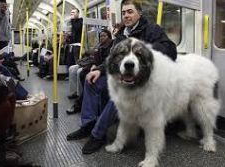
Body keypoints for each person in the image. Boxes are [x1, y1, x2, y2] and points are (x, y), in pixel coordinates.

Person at [66, 0, 177, 154]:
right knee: (91, 80)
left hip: (145, 81)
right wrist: (99, 69)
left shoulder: (152, 30)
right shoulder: (121, 35)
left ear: (140, 13)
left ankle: (97, 135)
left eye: (130, 11)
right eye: (124, 12)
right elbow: (113, 59)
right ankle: (88, 124)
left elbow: (171, 50)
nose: (126, 15)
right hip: (124, 76)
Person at [66, 29, 113, 114]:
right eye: (101, 36)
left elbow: (107, 60)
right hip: (96, 64)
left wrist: (96, 66)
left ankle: (80, 102)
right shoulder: (99, 45)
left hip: (104, 68)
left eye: (104, 36)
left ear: (109, 36)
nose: (102, 38)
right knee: (80, 71)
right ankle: (79, 95)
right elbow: (95, 57)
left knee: (84, 75)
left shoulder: (110, 46)